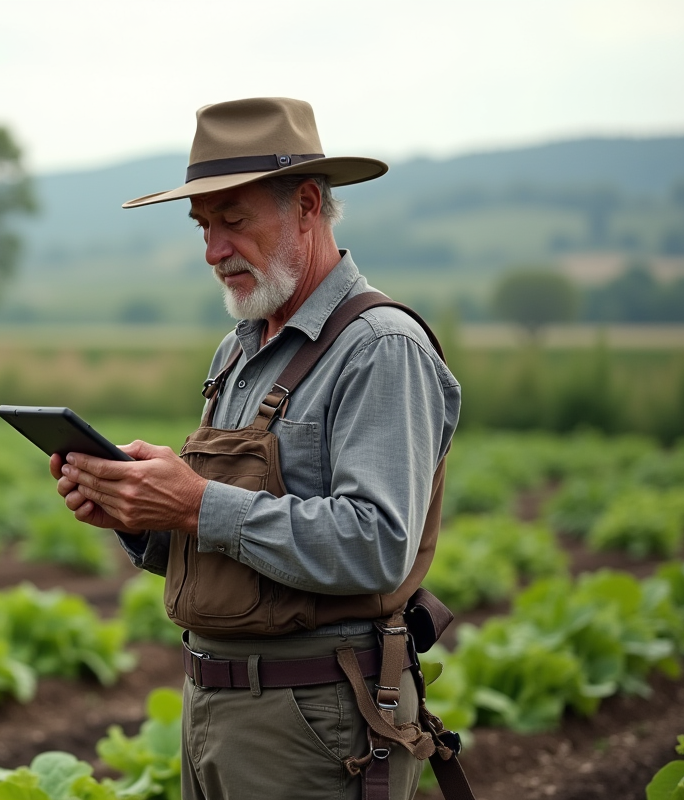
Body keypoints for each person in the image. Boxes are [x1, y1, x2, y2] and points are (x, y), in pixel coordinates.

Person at [49, 98, 463, 800]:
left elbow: (376, 544)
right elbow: (232, 553)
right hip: (211, 704)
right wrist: (139, 512)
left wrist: (199, 502)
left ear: (307, 205)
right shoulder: (241, 348)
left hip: (316, 716)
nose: (213, 250)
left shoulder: (379, 348)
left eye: (233, 221)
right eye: (203, 226)